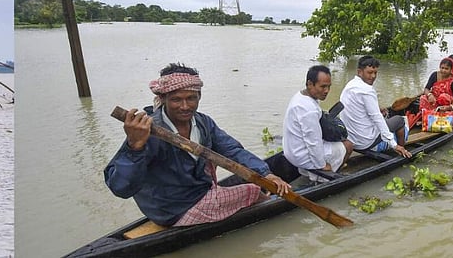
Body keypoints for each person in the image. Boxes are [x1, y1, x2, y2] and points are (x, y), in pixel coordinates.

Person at [104, 63, 291, 227]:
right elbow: (120, 188)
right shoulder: (149, 132)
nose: (185, 106)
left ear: (199, 97)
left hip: (198, 192)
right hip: (171, 209)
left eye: (191, 98)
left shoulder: (203, 123)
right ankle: (269, 213)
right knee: (253, 190)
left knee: (250, 182)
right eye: (176, 99)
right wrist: (134, 147)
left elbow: (232, 150)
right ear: (163, 99)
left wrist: (266, 173)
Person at [283, 65, 352, 182]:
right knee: (348, 145)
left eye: (329, 86)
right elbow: (313, 142)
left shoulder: (301, 96)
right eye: (323, 87)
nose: (327, 91)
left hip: (291, 151)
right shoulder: (308, 110)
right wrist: (322, 165)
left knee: (334, 141)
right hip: (301, 155)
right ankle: (326, 178)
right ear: (310, 84)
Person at [339, 56, 412, 158]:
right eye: (369, 73)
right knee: (399, 120)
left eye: (375, 72)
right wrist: (393, 144)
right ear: (360, 72)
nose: (373, 76)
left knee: (383, 116)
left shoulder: (350, 85)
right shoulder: (367, 90)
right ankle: (401, 150)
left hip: (350, 138)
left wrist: (377, 108)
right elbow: (377, 118)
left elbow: (360, 105)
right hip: (365, 141)